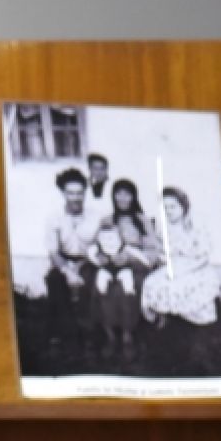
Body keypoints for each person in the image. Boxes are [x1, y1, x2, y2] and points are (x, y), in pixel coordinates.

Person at [87, 179, 162, 362]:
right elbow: (95, 245)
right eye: (118, 193)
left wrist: (129, 258)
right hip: (109, 267)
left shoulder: (142, 220)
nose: (122, 198)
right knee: (101, 287)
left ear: (134, 197)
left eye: (127, 194)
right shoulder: (107, 220)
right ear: (113, 196)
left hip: (134, 266)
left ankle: (127, 336)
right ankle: (110, 336)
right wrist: (101, 257)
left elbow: (153, 251)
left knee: (125, 290)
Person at [141, 186, 221, 329]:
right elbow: (167, 252)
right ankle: (161, 316)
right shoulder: (165, 227)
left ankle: (194, 322)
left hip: (197, 268)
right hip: (174, 266)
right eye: (165, 207)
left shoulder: (196, 226)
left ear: (183, 206)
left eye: (173, 207)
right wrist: (160, 255)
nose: (168, 211)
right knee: (151, 282)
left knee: (181, 285)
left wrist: (182, 270)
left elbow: (203, 257)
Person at [42, 167, 101, 348]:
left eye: (79, 193)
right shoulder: (54, 218)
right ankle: (65, 332)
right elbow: (53, 251)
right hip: (63, 261)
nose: (75, 198)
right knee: (54, 280)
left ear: (85, 193)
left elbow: (100, 247)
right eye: (70, 193)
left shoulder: (95, 217)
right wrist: (67, 270)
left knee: (91, 281)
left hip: (89, 260)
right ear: (63, 193)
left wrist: (81, 265)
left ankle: (89, 331)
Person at [84, 152, 114, 224]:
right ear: (89, 169)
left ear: (107, 169)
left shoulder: (113, 186)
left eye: (102, 168)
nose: (99, 172)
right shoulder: (84, 187)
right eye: (96, 168)